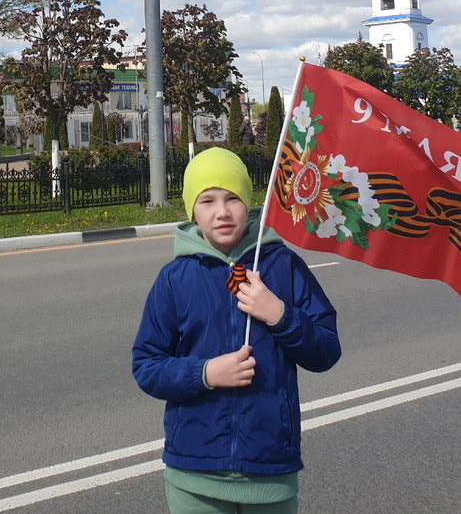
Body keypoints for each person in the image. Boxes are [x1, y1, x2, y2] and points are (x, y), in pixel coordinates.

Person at [132, 147, 341, 514]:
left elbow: (325, 349)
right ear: (191, 210)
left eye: (232, 198)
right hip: (194, 474)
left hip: (269, 470)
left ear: (249, 202)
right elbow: (147, 364)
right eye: (207, 200)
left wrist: (278, 314)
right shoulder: (175, 278)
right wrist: (206, 373)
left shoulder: (282, 266)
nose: (222, 211)